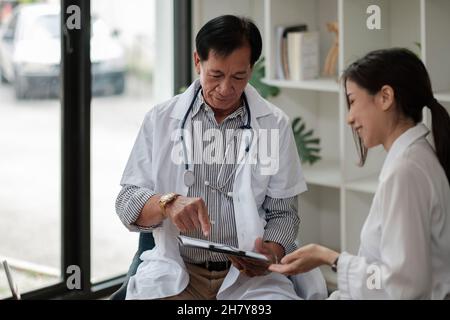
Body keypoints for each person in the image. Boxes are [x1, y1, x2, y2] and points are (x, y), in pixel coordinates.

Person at [115, 15, 326, 300]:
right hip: (179, 271)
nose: (226, 88)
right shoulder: (161, 120)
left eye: (238, 77)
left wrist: (271, 251)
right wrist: (168, 204)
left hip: (247, 279)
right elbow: (127, 202)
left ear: (251, 69)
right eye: (216, 75)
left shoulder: (274, 124)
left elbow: (284, 214)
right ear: (197, 62)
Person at [269, 48, 450, 300]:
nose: (349, 118)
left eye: (352, 102)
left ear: (385, 97)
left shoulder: (407, 170)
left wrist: (329, 257)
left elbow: (405, 286)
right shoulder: (413, 159)